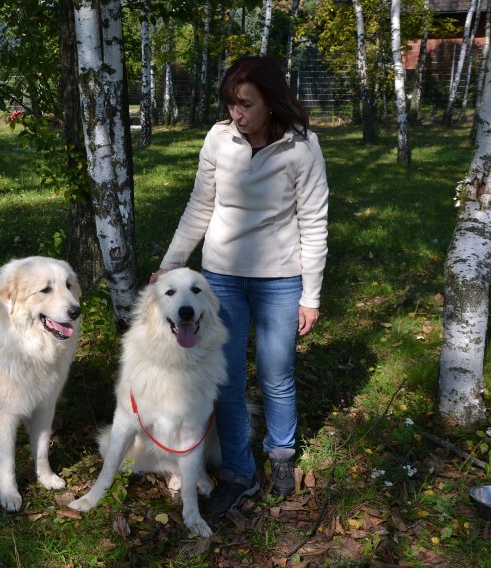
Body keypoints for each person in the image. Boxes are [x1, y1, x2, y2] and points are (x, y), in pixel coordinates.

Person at [150, 56, 329, 516]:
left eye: (246, 104)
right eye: (231, 104)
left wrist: (311, 294)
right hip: (221, 278)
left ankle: (282, 455)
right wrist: (170, 267)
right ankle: (239, 472)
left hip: (280, 280)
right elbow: (199, 206)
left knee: (276, 373)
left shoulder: (302, 148)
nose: (237, 114)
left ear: (272, 101)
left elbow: (313, 222)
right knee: (225, 379)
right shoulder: (218, 139)